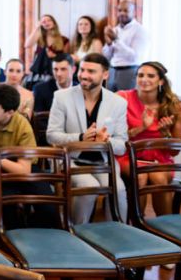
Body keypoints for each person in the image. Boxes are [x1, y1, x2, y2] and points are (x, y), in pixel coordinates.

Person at [46, 53, 128, 224]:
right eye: (82, 69)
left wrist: (106, 140)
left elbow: (121, 146)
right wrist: (81, 137)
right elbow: (51, 135)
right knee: (88, 187)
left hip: (103, 162)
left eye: (91, 71)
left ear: (105, 74)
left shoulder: (118, 102)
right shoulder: (61, 97)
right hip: (71, 159)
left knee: (119, 190)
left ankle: (116, 233)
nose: (83, 75)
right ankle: (78, 231)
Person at [0, 84, 57, 228]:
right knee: (5, 205)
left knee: (47, 205)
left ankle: (40, 237)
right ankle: (10, 241)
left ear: (10, 112)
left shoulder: (22, 126)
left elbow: (24, 170)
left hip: (22, 167)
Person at [116, 62, 181, 216]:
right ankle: (137, 225)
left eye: (150, 76)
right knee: (140, 176)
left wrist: (166, 133)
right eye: (140, 75)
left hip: (159, 159)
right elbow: (113, 138)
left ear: (161, 81)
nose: (144, 79)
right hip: (128, 156)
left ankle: (165, 226)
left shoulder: (175, 106)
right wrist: (141, 128)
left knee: (159, 177)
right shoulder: (122, 98)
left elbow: (174, 152)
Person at [103, 0, 148, 91]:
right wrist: (109, 44)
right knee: (110, 102)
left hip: (129, 71)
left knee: (126, 102)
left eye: (126, 10)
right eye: (119, 10)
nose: (122, 13)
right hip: (112, 70)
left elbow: (134, 56)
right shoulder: (115, 30)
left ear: (134, 12)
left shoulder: (140, 30)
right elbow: (106, 57)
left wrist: (116, 40)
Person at [25, 14, 70, 87]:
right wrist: (36, 28)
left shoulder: (64, 40)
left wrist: (55, 56)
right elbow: (27, 45)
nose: (47, 23)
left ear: (54, 23)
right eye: (44, 22)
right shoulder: (39, 38)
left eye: (49, 20)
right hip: (39, 73)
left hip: (55, 72)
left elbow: (67, 58)